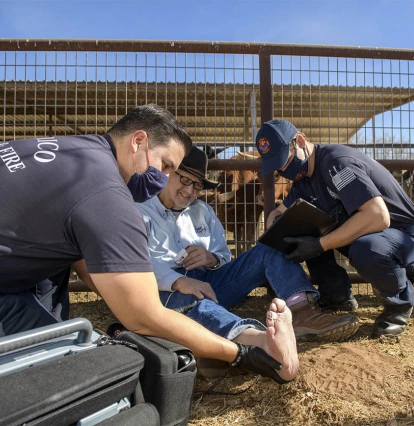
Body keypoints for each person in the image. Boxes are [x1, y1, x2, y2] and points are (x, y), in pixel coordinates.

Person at [0, 104, 296, 384]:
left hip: (17, 265)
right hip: (164, 288)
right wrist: (239, 354)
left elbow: (82, 258)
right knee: (65, 371)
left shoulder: (79, 150)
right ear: (138, 142)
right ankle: (255, 342)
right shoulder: (108, 196)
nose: (163, 178)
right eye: (167, 166)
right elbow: (143, 316)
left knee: (55, 328)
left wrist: (122, 293)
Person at [138, 146, 359, 345]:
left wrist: (211, 259)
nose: (190, 190)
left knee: (270, 248)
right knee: (189, 304)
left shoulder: (203, 211)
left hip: (210, 285)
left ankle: (302, 311)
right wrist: (177, 281)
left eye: (197, 185)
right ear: (167, 172)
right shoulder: (139, 211)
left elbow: (223, 256)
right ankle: (255, 339)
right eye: (184, 179)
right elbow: (134, 266)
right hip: (162, 291)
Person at [254, 119, 414, 337]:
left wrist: (319, 245)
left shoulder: (336, 163)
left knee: (366, 247)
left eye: (285, 160)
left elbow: (378, 217)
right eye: (277, 166)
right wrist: (274, 229)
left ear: (299, 141)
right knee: (300, 226)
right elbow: (279, 213)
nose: (283, 170)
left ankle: (399, 304)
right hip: (374, 238)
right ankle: (336, 294)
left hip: (407, 243)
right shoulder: (304, 181)